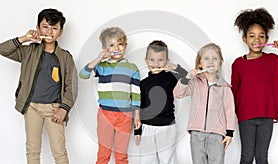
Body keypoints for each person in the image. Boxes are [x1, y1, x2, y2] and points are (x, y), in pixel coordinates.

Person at [0, 8, 78, 164]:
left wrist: (64, 108)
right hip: (32, 107)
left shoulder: (65, 57)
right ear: (38, 28)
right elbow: (3, 49)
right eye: (45, 26)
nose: (49, 31)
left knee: (59, 151)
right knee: (32, 150)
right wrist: (24, 38)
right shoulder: (29, 51)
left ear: (60, 32)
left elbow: (72, 85)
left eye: (54, 28)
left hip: (54, 108)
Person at [231, 8, 278, 164]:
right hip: (245, 117)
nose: (257, 39)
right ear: (244, 39)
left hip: (267, 117)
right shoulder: (238, 64)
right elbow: (233, 91)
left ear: (267, 38)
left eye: (261, 36)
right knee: (247, 157)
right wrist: (234, 114)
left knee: (262, 157)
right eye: (252, 36)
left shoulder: (273, 61)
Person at [79, 27, 141, 164]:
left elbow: (136, 93)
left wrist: (137, 115)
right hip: (105, 115)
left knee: (121, 154)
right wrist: (98, 58)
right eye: (111, 45)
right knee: (103, 153)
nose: (116, 48)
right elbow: (83, 74)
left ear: (125, 46)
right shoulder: (102, 66)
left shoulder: (132, 68)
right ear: (104, 48)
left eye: (120, 44)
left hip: (125, 116)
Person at [174, 43, 235, 164]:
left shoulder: (225, 87)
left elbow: (230, 110)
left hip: (217, 134)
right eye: (206, 58)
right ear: (200, 64)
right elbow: (178, 94)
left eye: (215, 58)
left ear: (220, 63)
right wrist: (186, 78)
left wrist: (229, 133)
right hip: (196, 133)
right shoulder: (195, 82)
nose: (211, 62)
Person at [133, 40, 188, 164]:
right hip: (147, 127)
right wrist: (137, 131)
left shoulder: (171, 77)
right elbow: (138, 108)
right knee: (147, 160)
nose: (156, 64)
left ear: (167, 61)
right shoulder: (143, 83)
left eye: (160, 60)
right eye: (152, 60)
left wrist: (175, 67)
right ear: (146, 60)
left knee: (167, 160)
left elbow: (187, 77)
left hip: (167, 127)